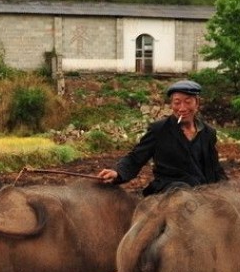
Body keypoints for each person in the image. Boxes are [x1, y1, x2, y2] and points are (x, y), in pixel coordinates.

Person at [97, 79, 228, 195]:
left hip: (201, 192)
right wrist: (117, 173)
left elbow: (214, 168)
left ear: (197, 103)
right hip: (169, 190)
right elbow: (136, 157)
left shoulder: (208, 133)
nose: (182, 108)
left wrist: (228, 188)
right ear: (171, 105)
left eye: (188, 102)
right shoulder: (159, 130)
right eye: (177, 103)